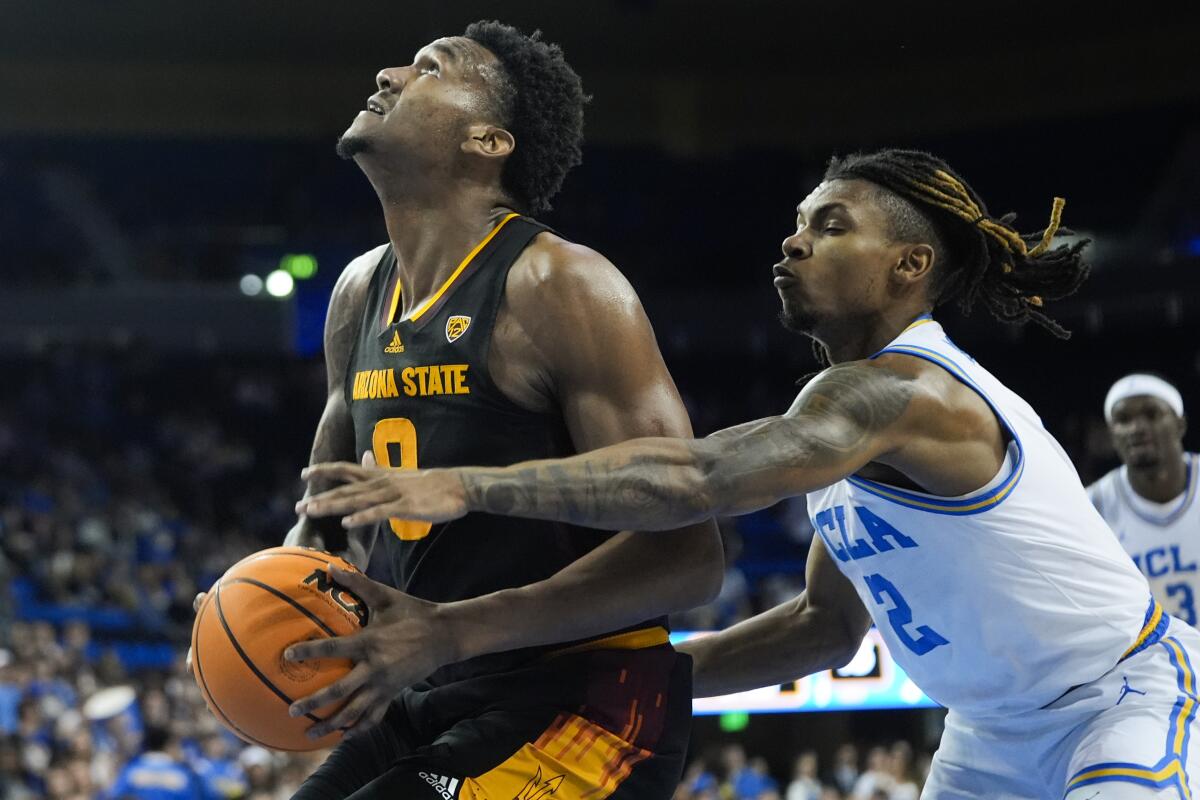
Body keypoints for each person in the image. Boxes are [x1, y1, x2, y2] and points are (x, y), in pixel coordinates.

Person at [300, 149, 1200, 798]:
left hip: (1121, 695)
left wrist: (470, 485)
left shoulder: (910, 395)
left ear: (909, 265)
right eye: (797, 223)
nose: (793, 242)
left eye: (830, 226)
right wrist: (630, 675)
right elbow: (820, 628)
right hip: (990, 733)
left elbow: (699, 478)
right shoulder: (838, 413)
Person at [192, 19, 723, 800]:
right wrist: (260, 595)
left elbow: (688, 558)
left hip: (591, 703)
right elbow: (325, 517)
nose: (388, 73)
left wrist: (448, 630)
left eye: (430, 69)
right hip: (436, 688)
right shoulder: (357, 293)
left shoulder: (558, 284)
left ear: (488, 141)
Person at [1089, 374, 1199, 625]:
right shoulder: (1092, 507)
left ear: (1180, 425)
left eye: (1151, 414)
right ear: (1112, 435)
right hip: (1148, 660)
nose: (1137, 428)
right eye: (1124, 420)